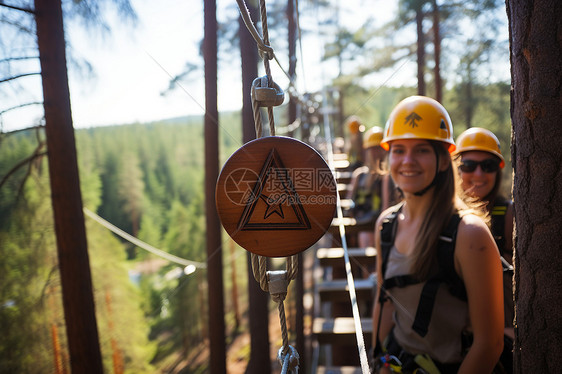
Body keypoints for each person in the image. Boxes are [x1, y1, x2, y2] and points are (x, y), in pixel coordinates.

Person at [371, 96, 504, 373]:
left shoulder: (469, 235)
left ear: (444, 161)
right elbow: (385, 303)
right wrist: (379, 361)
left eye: (421, 150)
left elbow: (489, 344)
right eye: (398, 150)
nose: (407, 161)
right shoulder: (387, 225)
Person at [453, 127, 515, 372]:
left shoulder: (509, 215)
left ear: (498, 170)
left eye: (488, 165)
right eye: (468, 165)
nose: (478, 173)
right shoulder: (446, 218)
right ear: (457, 169)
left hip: (501, 335)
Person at [347, 126, 387, 247]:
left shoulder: (387, 177)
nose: (376, 152)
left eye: (378, 148)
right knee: (365, 236)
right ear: (367, 151)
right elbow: (350, 201)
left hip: (378, 224)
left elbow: (386, 208)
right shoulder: (359, 175)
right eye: (372, 149)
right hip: (361, 221)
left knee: (368, 237)